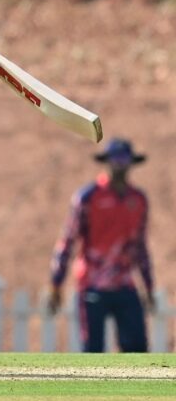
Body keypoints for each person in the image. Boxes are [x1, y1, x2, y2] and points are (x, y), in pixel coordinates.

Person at [48, 137, 154, 353]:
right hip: (92, 283)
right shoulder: (88, 197)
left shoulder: (138, 200)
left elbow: (140, 247)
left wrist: (149, 285)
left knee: (137, 350)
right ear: (107, 161)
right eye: (115, 160)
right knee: (93, 351)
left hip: (125, 283)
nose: (119, 166)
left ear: (131, 162)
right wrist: (56, 283)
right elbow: (68, 240)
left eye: (124, 160)